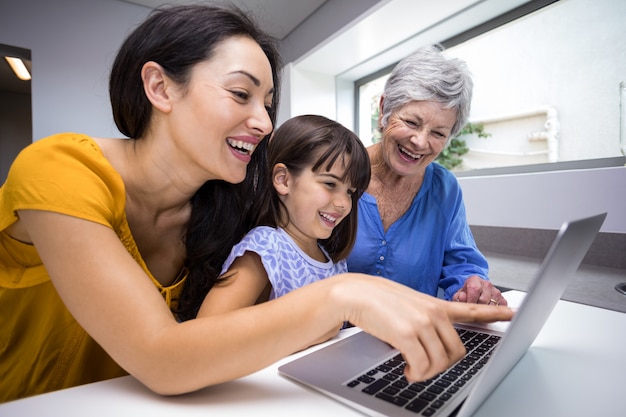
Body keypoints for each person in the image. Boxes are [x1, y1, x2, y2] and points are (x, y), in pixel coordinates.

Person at [0, 6, 513, 403]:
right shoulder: (61, 168)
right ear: (159, 86)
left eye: (267, 104)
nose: (265, 123)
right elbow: (161, 357)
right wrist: (345, 294)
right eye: (241, 94)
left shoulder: (221, 205)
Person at [347, 45, 508, 306]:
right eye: (411, 122)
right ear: (385, 109)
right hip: (331, 340)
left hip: (412, 339)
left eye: (438, 133)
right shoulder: (338, 171)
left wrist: (472, 286)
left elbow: (462, 264)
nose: (420, 142)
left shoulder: (444, 189)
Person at [199, 114, 370, 319]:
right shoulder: (266, 248)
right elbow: (209, 327)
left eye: (350, 192)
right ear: (283, 180)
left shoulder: (335, 263)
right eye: (330, 184)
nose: (343, 203)